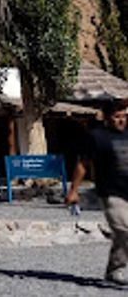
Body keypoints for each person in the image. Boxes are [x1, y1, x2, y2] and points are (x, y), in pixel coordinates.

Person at [66, 100, 128, 286]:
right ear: (106, 118)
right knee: (125, 229)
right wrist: (73, 191)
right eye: (116, 117)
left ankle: (114, 268)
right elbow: (82, 164)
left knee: (121, 234)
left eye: (124, 116)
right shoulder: (96, 137)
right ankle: (116, 269)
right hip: (111, 192)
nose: (121, 120)